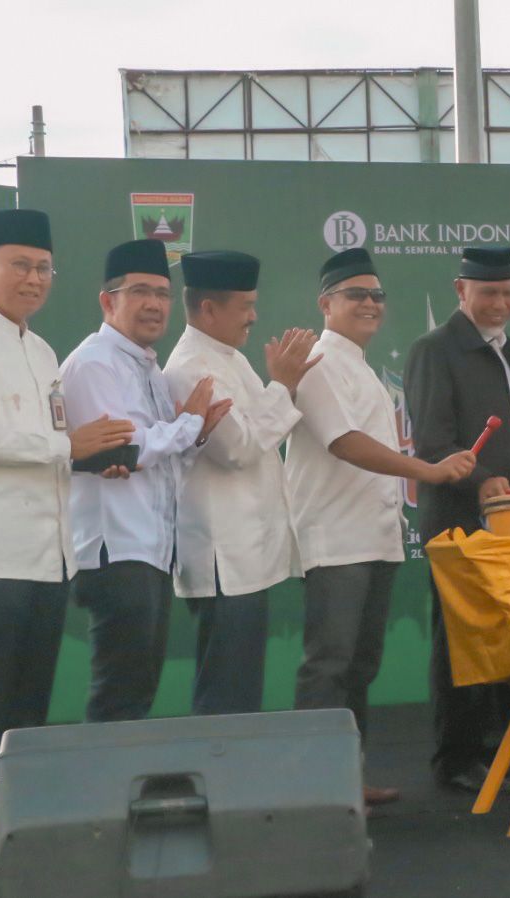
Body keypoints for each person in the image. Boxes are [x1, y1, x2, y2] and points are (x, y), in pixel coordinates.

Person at [0, 209, 135, 886]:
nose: (34, 279)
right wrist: (65, 447)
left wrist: (92, 461)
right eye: (20, 265)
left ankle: (26, 832)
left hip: (48, 551)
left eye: (44, 268)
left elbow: (49, 446)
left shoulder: (41, 350)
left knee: (28, 713)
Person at [288, 247, 476, 806]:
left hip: (374, 536)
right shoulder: (319, 362)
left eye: (376, 295)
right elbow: (346, 443)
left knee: (360, 666)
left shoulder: (360, 364)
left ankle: (347, 776)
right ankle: (312, 788)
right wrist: (429, 471)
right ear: (326, 304)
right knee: (329, 664)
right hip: (334, 538)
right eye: (356, 295)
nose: (370, 304)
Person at [59, 238, 231, 723]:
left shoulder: (148, 368)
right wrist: (187, 426)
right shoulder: (95, 362)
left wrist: (189, 438)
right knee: (120, 692)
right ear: (107, 301)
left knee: (136, 690)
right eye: (140, 291)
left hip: (150, 550)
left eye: (162, 293)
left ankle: (119, 788)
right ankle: (102, 793)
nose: (155, 304)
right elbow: (125, 450)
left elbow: (151, 454)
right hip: (116, 549)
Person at [404, 246, 510, 794]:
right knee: (460, 638)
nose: (500, 303)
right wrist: (481, 475)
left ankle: (498, 749)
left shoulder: (506, 348)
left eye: (508, 292)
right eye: (488, 293)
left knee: (508, 634)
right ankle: (455, 756)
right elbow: (433, 440)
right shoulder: (434, 350)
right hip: (461, 518)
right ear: (461, 291)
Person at [163, 250, 317, 717]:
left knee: (241, 683)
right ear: (209, 308)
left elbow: (259, 432)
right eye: (245, 305)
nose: (254, 316)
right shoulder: (190, 368)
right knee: (227, 689)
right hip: (222, 556)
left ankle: (234, 780)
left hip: (246, 552)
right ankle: (220, 782)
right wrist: (283, 386)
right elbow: (238, 448)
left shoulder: (231, 359)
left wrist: (279, 390)